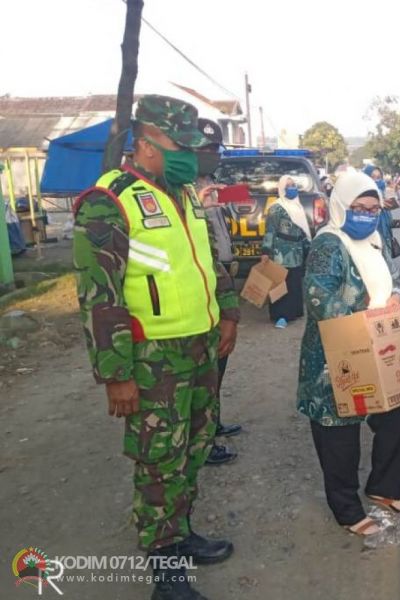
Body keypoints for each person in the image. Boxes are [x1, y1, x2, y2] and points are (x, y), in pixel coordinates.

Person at [73, 95, 239, 600]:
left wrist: (227, 312)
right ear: (145, 144)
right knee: (159, 461)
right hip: (151, 360)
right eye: (180, 146)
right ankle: (164, 570)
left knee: (194, 446)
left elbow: (208, 258)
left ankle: (181, 533)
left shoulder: (183, 191)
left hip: (200, 344)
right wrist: (115, 373)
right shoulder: (109, 200)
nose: (191, 156)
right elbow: (97, 294)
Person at [297, 171, 400, 539]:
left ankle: (385, 487)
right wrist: (359, 321)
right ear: (340, 206)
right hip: (339, 353)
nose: (366, 214)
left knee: (398, 413)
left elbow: (393, 277)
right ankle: (346, 508)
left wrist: (394, 297)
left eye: (373, 208)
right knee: (340, 430)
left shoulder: (376, 239)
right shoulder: (329, 244)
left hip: (381, 345)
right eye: (358, 208)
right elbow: (318, 296)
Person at [195, 118, 241, 466]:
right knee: (205, 367)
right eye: (205, 149)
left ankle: (214, 423)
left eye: (214, 149)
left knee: (218, 363)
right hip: (202, 285)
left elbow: (236, 210)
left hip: (224, 273)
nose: (211, 155)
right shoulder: (180, 190)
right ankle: (202, 439)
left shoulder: (209, 185)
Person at [261, 175, 312, 328]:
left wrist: (308, 249)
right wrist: (266, 251)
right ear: (282, 189)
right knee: (280, 284)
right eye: (288, 185)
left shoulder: (297, 207)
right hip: (280, 252)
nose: (292, 188)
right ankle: (280, 316)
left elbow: (302, 231)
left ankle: (294, 312)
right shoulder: (277, 208)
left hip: (296, 252)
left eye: (293, 185)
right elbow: (270, 230)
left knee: (295, 283)